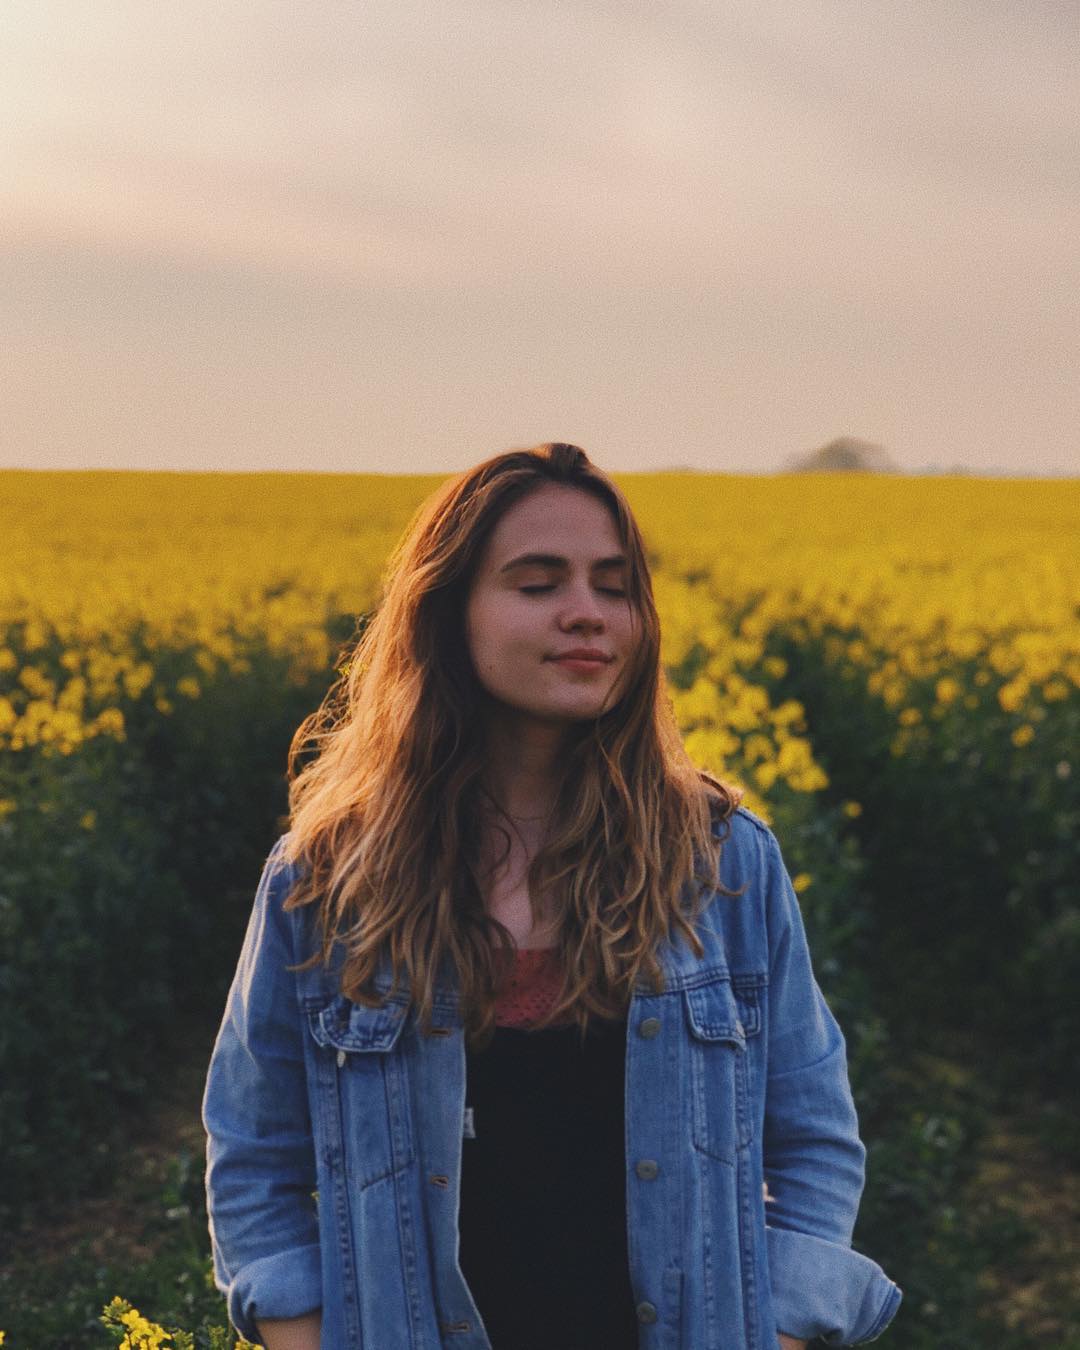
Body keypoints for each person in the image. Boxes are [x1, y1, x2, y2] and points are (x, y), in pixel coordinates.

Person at [202, 442, 902, 1350]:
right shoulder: (329, 878)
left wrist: (779, 1333)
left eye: (614, 586)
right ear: (447, 614)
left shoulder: (722, 862)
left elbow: (812, 1138)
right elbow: (254, 1152)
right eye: (538, 584)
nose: (588, 614)